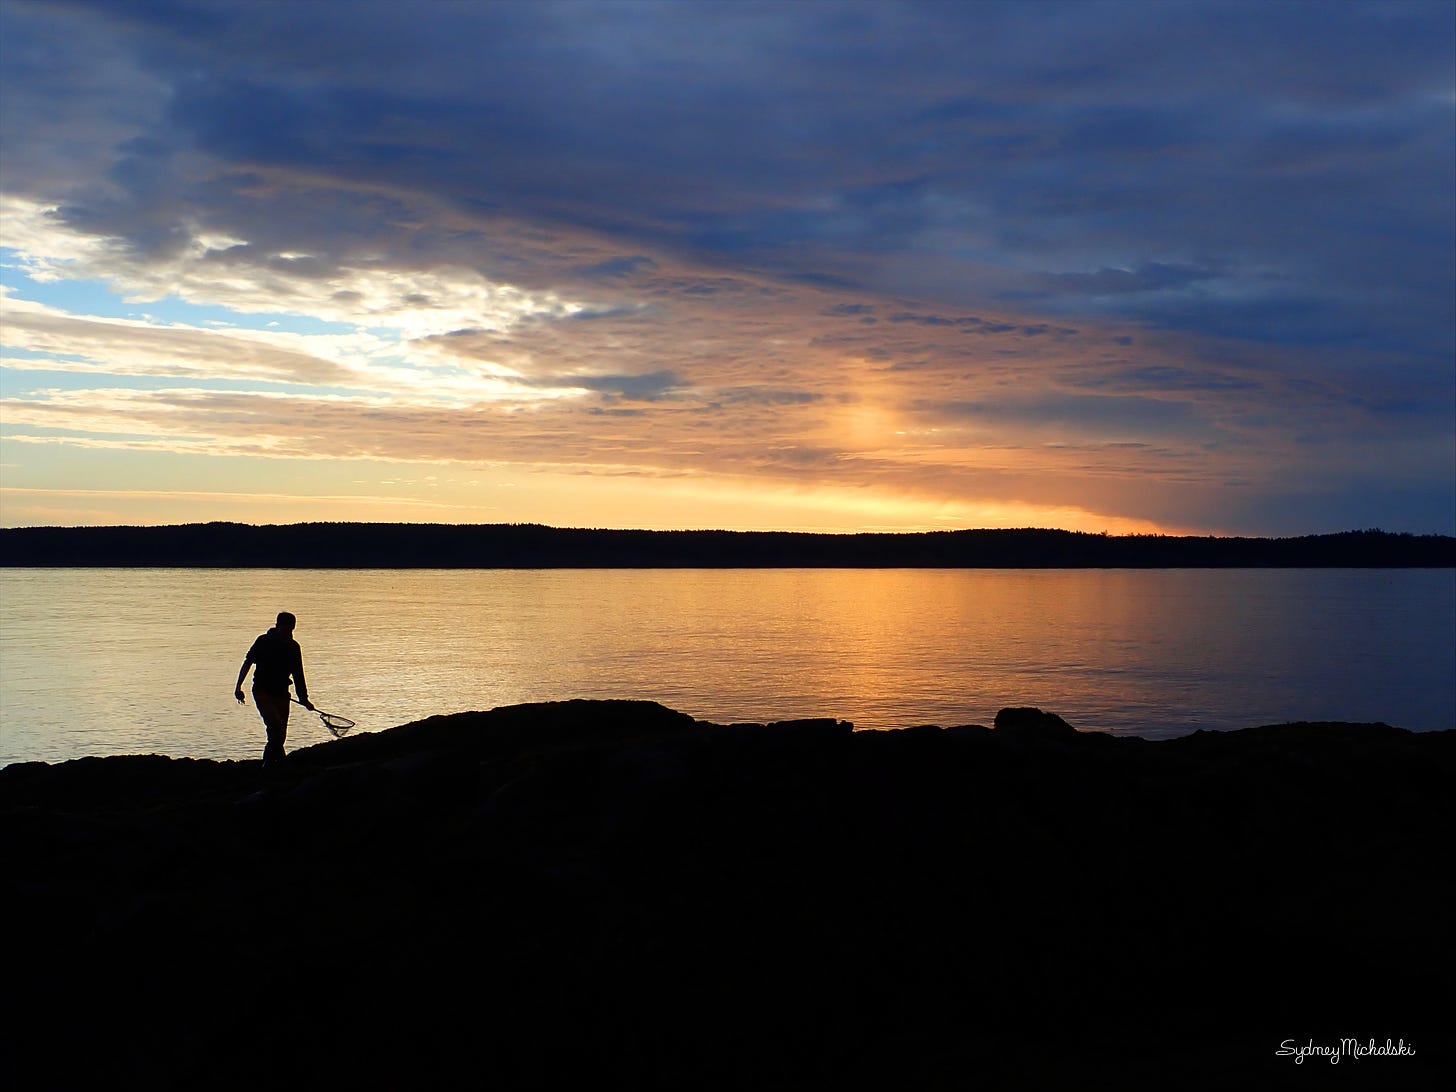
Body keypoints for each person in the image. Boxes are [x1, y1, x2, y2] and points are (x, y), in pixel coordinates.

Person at [235, 611, 313, 767]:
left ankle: (276, 763)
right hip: (262, 691)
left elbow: (298, 674)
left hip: (282, 693)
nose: (288, 632)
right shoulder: (263, 641)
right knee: (275, 726)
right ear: (278, 626)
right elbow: (248, 662)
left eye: (291, 629)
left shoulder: (293, 647)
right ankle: (269, 764)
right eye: (285, 628)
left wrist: (304, 699)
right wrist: (238, 686)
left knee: (280, 732)